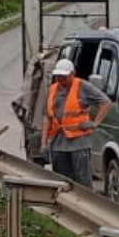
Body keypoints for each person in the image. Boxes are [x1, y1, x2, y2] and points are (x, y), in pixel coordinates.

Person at [43, 57, 111, 189]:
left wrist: (95, 123)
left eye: (64, 76)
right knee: (61, 181)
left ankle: (85, 202)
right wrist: (43, 145)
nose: (60, 79)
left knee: (83, 181)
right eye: (58, 76)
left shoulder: (82, 86)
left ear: (72, 74)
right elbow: (47, 116)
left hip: (79, 142)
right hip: (58, 142)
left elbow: (105, 102)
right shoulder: (53, 89)